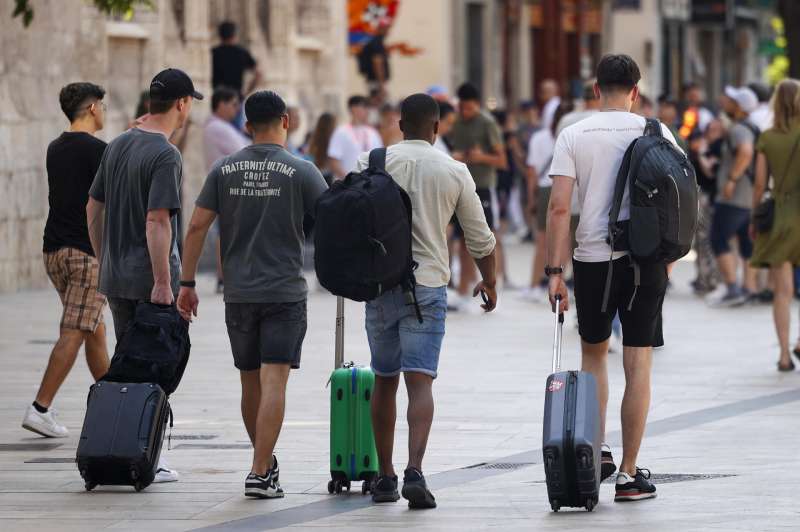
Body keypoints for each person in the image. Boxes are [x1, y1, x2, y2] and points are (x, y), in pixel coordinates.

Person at [177, 90, 328, 499]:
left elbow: (196, 227)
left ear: (246, 126)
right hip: (284, 291)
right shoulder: (301, 170)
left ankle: (264, 464)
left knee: (250, 383)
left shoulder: (224, 170)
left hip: (239, 294)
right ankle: (260, 470)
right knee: (274, 380)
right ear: (286, 120)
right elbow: (332, 220)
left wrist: (187, 283)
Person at [547, 54, 682, 502]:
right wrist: (671, 253)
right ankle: (628, 474)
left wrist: (554, 271)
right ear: (636, 90)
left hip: (592, 259)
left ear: (595, 88)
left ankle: (597, 449)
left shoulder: (574, 134)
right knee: (638, 360)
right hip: (644, 261)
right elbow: (680, 195)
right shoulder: (656, 131)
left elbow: (560, 208)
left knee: (593, 355)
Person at [362, 93, 497, 509]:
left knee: (384, 380)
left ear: (400, 124)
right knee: (419, 382)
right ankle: (415, 471)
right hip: (428, 285)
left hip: (381, 285)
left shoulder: (376, 161)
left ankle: (384, 478)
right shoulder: (453, 169)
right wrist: (488, 280)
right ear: (437, 128)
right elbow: (480, 236)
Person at [86, 68, 202, 483]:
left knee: (128, 364)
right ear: (182, 104)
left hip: (117, 276)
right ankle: (143, 451)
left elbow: (93, 209)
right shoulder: (165, 155)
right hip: (148, 280)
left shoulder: (117, 144)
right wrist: (163, 282)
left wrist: (107, 257)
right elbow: (157, 221)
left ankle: (124, 447)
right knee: (154, 370)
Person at [22, 83, 110, 439]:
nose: (103, 111)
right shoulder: (99, 151)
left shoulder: (54, 147)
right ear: (91, 108)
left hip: (54, 251)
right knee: (75, 330)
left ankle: (114, 403)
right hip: (85, 255)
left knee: (94, 330)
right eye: (102, 105)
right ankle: (40, 408)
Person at [749, 79, 800, 371]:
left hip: (780, 216)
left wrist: (755, 217)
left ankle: (783, 355)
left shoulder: (767, 137)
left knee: (783, 291)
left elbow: (759, 185)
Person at [449, 83, 507, 303]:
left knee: (487, 237)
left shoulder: (487, 123)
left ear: (477, 105)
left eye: (469, 109)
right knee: (463, 238)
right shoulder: (457, 122)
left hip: (483, 184)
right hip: (460, 184)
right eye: (462, 108)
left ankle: (494, 284)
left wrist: (480, 157)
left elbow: (501, 161)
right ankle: (464, 289)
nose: (465, 113)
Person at [706, 86, 760, 306]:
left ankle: (733, 287)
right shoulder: (754, 127)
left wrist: (731, 179)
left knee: (717, 238)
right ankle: (749, 288)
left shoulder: (739, 129)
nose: (726, 103)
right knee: (746, 242)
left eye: (731, 101)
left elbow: (746, 152)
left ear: (739, 107)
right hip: (748, 197)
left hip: (734, 197)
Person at [522, 102, 574, 303]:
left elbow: (531, 172)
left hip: (545, 188)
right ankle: (560, 278)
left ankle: (535, 284)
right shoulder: (573, 134)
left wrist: (531, 197)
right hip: (569, 188)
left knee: (542, 241)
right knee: (567, 240)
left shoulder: (540, 138)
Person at [204, 87, 250, 293]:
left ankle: (226, 276)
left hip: (228, 185)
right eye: (232, 104)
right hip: (229, 186)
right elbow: (244, 151)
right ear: (220, 104)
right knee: (228, 232)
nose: (236, 108)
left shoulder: (222, 126)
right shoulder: (218, 127)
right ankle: (226, 276)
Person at [212, 21, 263, 129]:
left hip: (218, 100)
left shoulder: (214, 52)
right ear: (235, 35)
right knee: (234, 134)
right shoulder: (242, 52)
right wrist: (246, 93)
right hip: (235, 100)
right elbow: (259, 74)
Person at [327, 95, 383, 179]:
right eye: (364, 107)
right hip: (346, 186)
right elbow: (334, 161)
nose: (367, 111)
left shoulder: (373, 133)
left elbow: (380, 159)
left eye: (367, 107)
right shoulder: (341, 131)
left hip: (369, 186)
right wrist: (349, 180)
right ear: (353, 108)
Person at [358, 20, 392, 96]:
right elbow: (377, 63)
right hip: (376, 82)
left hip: (373, 80)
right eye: (386, 28)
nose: (388, 31)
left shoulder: (374, 41)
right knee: (378, 104)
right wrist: (381, 84)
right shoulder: (377, 42)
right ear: (380, 28)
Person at [306, 112, 337, 183]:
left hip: (315, 176)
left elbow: (309, 157)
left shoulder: (313, 140)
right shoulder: (333, 140)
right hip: (329, 177)